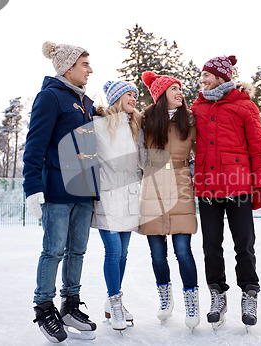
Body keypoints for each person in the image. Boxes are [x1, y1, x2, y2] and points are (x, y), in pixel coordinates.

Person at [23, 41, 98, 343]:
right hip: (57, 189)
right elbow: (35, 145)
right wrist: (32, 187)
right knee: (54, 250)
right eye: (84, 64)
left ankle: (70, 305)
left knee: (77, 250)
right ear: (68, 68)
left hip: (84, 190)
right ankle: (44, 308)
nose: (90, 69)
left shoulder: (87, 103)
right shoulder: (50, 98)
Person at [190, 55, 261, 329]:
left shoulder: (245, 107)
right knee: (211, 246)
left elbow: (258, 148)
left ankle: (249, 293)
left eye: (207, 75)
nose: (203, 79)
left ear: (222, 77)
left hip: (239, 185)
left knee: (244, 245)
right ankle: (217, 295)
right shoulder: (197, 108)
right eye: (202, 75)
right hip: (207, 186)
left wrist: (260, 184)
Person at [139, 71, 200, 330]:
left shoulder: (190, 119)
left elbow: (203, 151)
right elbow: (137, 151)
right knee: (156, 254)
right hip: (153, 186)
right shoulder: (146, 120)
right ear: (161, 94)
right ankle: (165, 298)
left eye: (180, 88)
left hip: (181, 184)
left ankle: (191, 301)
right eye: (173, 88)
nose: (180, 92)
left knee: (183, 250)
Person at [90, 80, 142, 331]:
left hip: (130, 197)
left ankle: (113, 303)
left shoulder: (135, 126)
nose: (134, 98)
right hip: (108, 197)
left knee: (123, 253)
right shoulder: (98, 125)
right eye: (129, 94)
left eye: (135, 95)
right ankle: (115, 302)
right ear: (116, 98)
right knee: (112, 251)